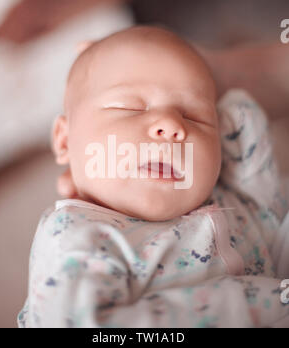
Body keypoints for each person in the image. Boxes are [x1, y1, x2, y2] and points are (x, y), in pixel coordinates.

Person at [18, 25, 289, 328]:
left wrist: (211, 78)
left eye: (193, 115)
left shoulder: (236, 193)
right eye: (130, 107)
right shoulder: (75, 234)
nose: (171, 124)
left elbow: (245, 128)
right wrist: (260, 302)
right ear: (65, 141)